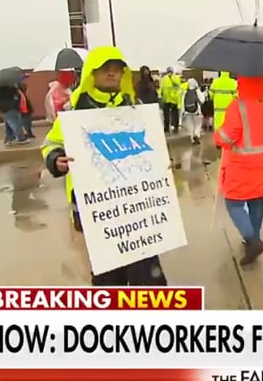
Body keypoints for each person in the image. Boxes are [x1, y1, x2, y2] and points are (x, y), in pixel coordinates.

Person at [40, 46, 167, 286]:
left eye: (117, 70)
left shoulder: (134, 105)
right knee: (109, 271)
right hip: (95, 203)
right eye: (105, 70)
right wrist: (56, 159)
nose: (112, 74)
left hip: (136, 201)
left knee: (146, 268)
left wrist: (162, 163)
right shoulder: (75, 109)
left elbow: (152, 144)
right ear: (92, 73)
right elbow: (51, 143)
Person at [214, 76, 263, 266]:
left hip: (243, 164)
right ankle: (254, 238)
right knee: (257, 201)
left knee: (233, 203)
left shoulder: (238, 106)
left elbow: (229, 136)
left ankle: (252, 240)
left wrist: (218, 136)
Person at [0, 68, 29, 146]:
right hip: (11, 109)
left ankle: (9, 139)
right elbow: (18, 96)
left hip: (5, 109)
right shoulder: (11, 90)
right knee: (15, 123)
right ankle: (21, 138)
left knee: (9, 124)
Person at [160, 66, 183, 134]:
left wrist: (161, 96)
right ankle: (175, 128)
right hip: (173, 99)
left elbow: (162, 88)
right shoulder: (176, 78)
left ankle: (167, 128)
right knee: (174, 114)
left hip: (167, 99)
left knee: (167, 115)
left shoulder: (164, 78)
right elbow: (179, 88)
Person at [182, 78, 205, 145]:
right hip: (196, 111)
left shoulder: (185, 91)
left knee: (190, 125)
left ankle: (192, 139)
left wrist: (183, 112)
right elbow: (202, 99)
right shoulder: (197, 91)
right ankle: (196, 135)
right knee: (198, 124)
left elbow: (182, 102)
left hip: (187, 111)